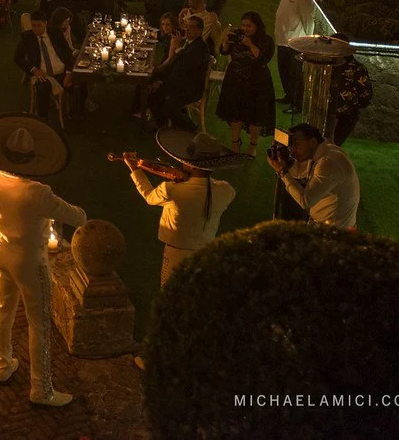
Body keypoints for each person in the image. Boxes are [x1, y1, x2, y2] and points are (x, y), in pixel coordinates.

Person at [0, 114, 86, 407]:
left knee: (4, 308)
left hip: (2, 250)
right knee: (39, 324)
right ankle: (42, 389)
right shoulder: (38, 193)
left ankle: (3, 363)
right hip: (30, 261)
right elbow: (77, 217)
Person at [124, 130, 240, 284]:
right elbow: (208, 187)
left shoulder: (171, 189)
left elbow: (149, 196)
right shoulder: (226, 191)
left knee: (171, 296)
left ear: (190, 165)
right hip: (207, 253)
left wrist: (135, 169)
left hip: (176, 256)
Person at [267, 122, 360, 229]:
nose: (292, 149)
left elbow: (305, 201)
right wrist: (284, 162)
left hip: (334, 234)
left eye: (296, 144)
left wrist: (282, 172)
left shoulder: (328, 162)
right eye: (290, 144)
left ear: (312, 142)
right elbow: (300, 172)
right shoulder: (324, 149)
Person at [215, 11, 276, 154]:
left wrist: (250, 45)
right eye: (243, 25)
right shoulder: (237, 35)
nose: (245, 28)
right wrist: (225, 43)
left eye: (249, 26)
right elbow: (224, 52)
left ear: (257, 26)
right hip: (235, 79)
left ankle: (252, 147)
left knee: (256, 116)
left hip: (257, 80)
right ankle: (235, 144)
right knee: (235, 113)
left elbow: (263, 58)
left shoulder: (265, 40)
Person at [145, 15, 210, 130]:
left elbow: (186, 67)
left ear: (200, 30)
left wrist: (179, 47)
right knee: (150, 90)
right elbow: (175, 66)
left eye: (191, 27)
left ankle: (191, 128)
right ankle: (161, 124)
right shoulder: (188, 42)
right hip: (178, 82)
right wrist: (161, 81)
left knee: (168, 105)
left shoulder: (201, 47)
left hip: (189, 88)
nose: (187, 30)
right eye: (187, 26)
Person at [13, 10, 74, 125]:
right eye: (33, 26)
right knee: (42, 87)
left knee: (78, 83)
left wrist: (69, 73)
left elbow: (67, 53)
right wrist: (34, 70)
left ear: (45, 23)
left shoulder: (55, 33)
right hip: (42, 74)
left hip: (61, 71)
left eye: (39, 25)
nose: (36, 29)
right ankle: (42, 121)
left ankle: (74, 115)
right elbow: (17, 58)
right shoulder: (28, 37)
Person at [274, 0, 315, 113]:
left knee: (295, 74)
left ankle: (297, 103)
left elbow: (308, 19)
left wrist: (307, 42)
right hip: (282, 40)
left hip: (295, 42)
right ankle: (289, 95)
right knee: (284, 70)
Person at [328, 33, 372, 145]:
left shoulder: (356, 69)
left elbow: (365, 95)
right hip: (334, 112)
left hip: (345, 115)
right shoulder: (357, 68)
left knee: (332, 144)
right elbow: (365, 95)